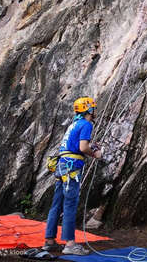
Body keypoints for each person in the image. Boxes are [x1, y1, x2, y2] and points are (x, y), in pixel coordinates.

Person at [43, 97, 102, 256]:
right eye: (94, 108)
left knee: (57, 203)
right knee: (70, 204)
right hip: (71, 168)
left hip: (62, 165)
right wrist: (95, 153)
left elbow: (77, 145)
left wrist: (90, 148)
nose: (96, 111)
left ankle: (49, 241)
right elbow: (83, 147)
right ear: (89, 110)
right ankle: (69, 243)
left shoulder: (74, 124)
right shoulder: (86, 124)